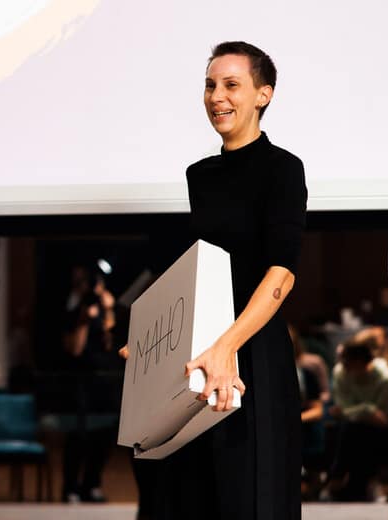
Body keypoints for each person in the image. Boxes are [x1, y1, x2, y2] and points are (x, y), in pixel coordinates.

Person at [121, 41, 306, 519]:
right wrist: (150, 345)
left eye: (231, 85)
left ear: (263, 95)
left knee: (253, 496)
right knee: (196, 496)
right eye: (209, 85)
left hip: (254, 351)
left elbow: (281, 273)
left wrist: (228, 347)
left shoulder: (283, 169)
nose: (216, 96)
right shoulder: (199, 175)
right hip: (204, 353)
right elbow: (200, 269)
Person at [61, 265, 116, 503]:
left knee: (104, 434)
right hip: (80, 382)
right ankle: (70, 487)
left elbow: (109, 343)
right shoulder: (74, 311)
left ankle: (91, 484)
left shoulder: (102, 312)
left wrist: (109, 310)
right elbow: (75, 349)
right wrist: (84, 319)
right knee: (78, 436)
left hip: (102, 381)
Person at [327, 336, 388, 501]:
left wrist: (355, 412)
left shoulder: (385, 379)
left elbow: (384, 418)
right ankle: (355, 484)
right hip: (351, 427)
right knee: (350, 429)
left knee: (357, 432)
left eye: (347, 363)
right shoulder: (340, 373)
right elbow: (342, 408)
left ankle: (338, 477)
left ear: (361, 361)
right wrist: (367, 409)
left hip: (378, 430)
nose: (344, 366)